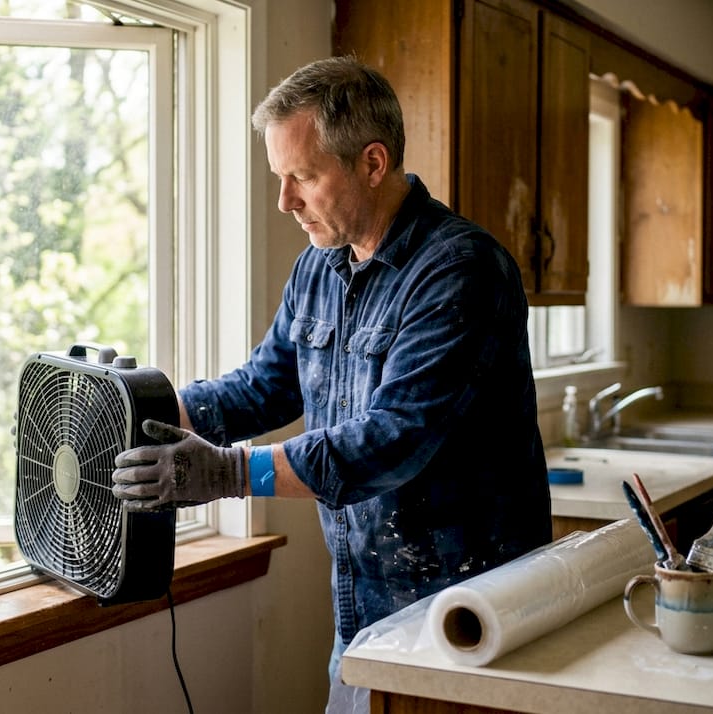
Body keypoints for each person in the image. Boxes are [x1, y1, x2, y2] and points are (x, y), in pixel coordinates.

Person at [112, 55, 551, 702]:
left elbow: (395, 438)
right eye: (279, 177)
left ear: (373, 164)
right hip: (362, 616)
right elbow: (264, 387)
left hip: (470, 624)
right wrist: (140, 406)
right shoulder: (320, 267)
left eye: (302, 177)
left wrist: (231, 473)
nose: (284, 200)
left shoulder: (462, 272)